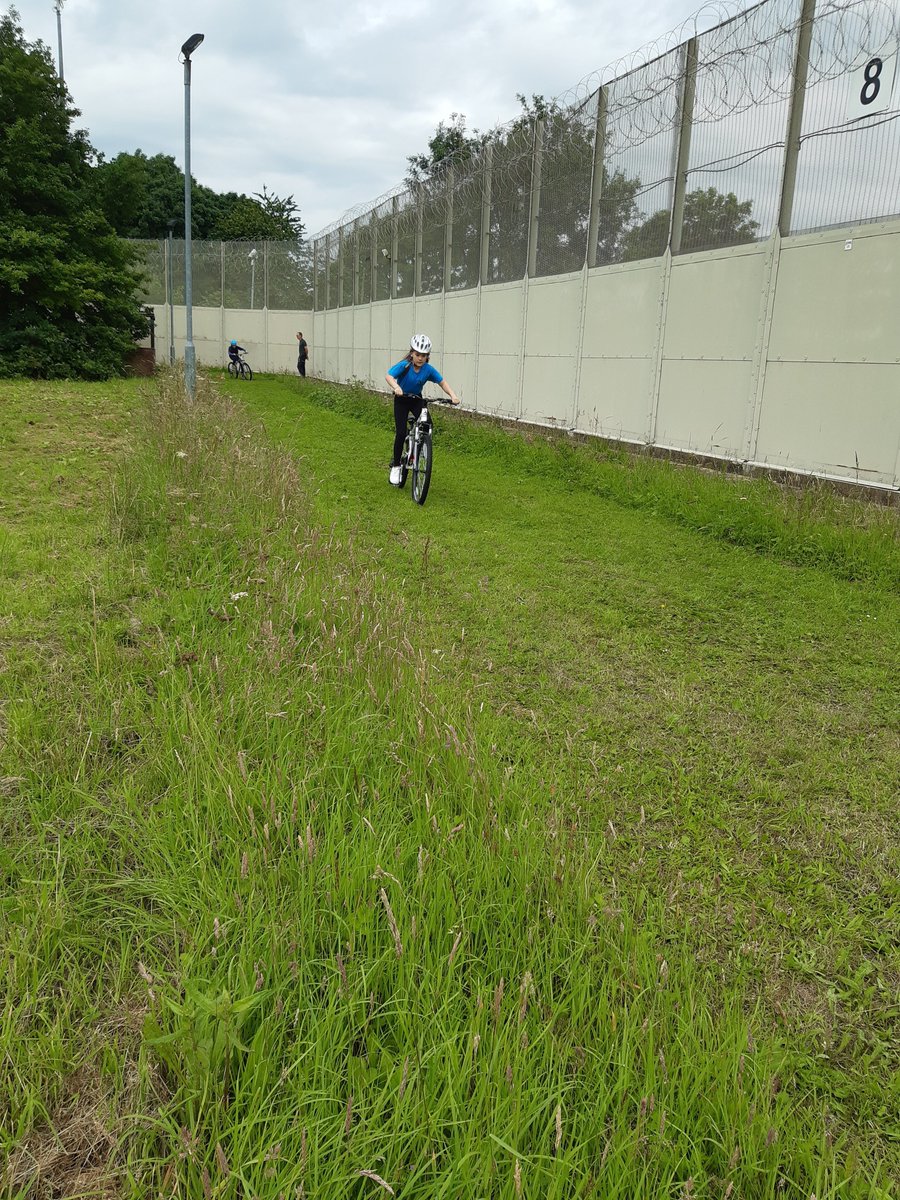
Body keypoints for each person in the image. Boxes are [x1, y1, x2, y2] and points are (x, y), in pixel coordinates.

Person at [385, 333, 459, 485]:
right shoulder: (404, 366)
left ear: (427, 356)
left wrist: (453, 395)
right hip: (401, 400)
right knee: (400, 432)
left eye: (423, 355)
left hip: (416, 400)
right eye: (417, 354)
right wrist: (396, 387)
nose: (420, 358)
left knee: (428, 425)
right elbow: (389, 376)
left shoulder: (428, 370)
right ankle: (397, 466)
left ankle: (419, 450)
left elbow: (442, 382)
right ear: (412, 353)